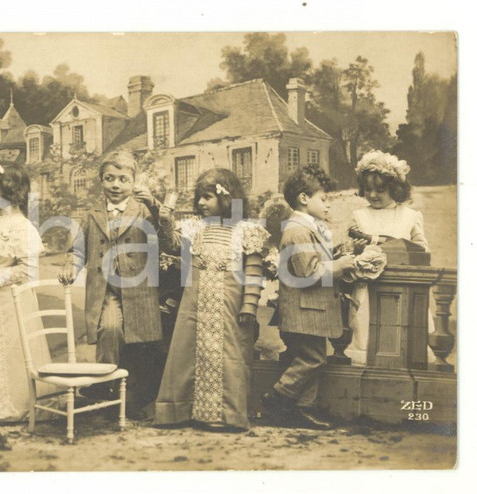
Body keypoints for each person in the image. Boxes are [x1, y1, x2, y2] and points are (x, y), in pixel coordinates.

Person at [153, 169, 269, 431]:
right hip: (195, 305)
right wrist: (164, 222)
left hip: (228, 305)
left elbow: (253, 271)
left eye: (207, 197)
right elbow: (171, 246)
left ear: (226, 199)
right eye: (199, 198)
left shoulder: (245, 231)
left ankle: (225, 415)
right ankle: (180, 411)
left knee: (229, 356)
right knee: (187, 353)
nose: (201, 204)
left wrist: (249, 304)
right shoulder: (195, 228)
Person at [59, 150, 166, 420]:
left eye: (122, 179)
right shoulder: (92, 214)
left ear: (134, 182)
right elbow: (78, 248)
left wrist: (156, 207)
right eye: (109, 179)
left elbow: (165, 240)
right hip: (106, 289)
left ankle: (129, 399)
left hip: (139, 290)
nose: (116, 185)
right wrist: (71, 265)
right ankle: (104, 385)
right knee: (110, 328)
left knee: (138, 343)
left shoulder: (143, 210)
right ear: (101, 181)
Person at [260, 166, 355, 430]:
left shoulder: (307, 228)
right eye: (324, 199)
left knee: (308, 357)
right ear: (304, 198)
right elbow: (309, 272)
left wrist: (336, 256)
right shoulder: (298, 230)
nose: (328, 205)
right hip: (304, 309)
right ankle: (277, 397)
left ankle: (302, 409)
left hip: (309, 309)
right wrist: (341, 265)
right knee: (312, 359)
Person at [0, 160, 55, 422]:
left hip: (11, 299)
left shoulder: (22, 227)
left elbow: (28, 271)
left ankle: (14, 404)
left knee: (11, 349)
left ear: (12, 193)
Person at [344, 151, 431, 365]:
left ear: (395, 188)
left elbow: (422, 251)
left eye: (380, 190)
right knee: (367, 342)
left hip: (403, 289)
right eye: (368, 189)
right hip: (368, 290)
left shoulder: (410, 216)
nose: (373, 195)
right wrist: (356, 250)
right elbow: (348, 252)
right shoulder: (359, 216)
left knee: (402, 342)